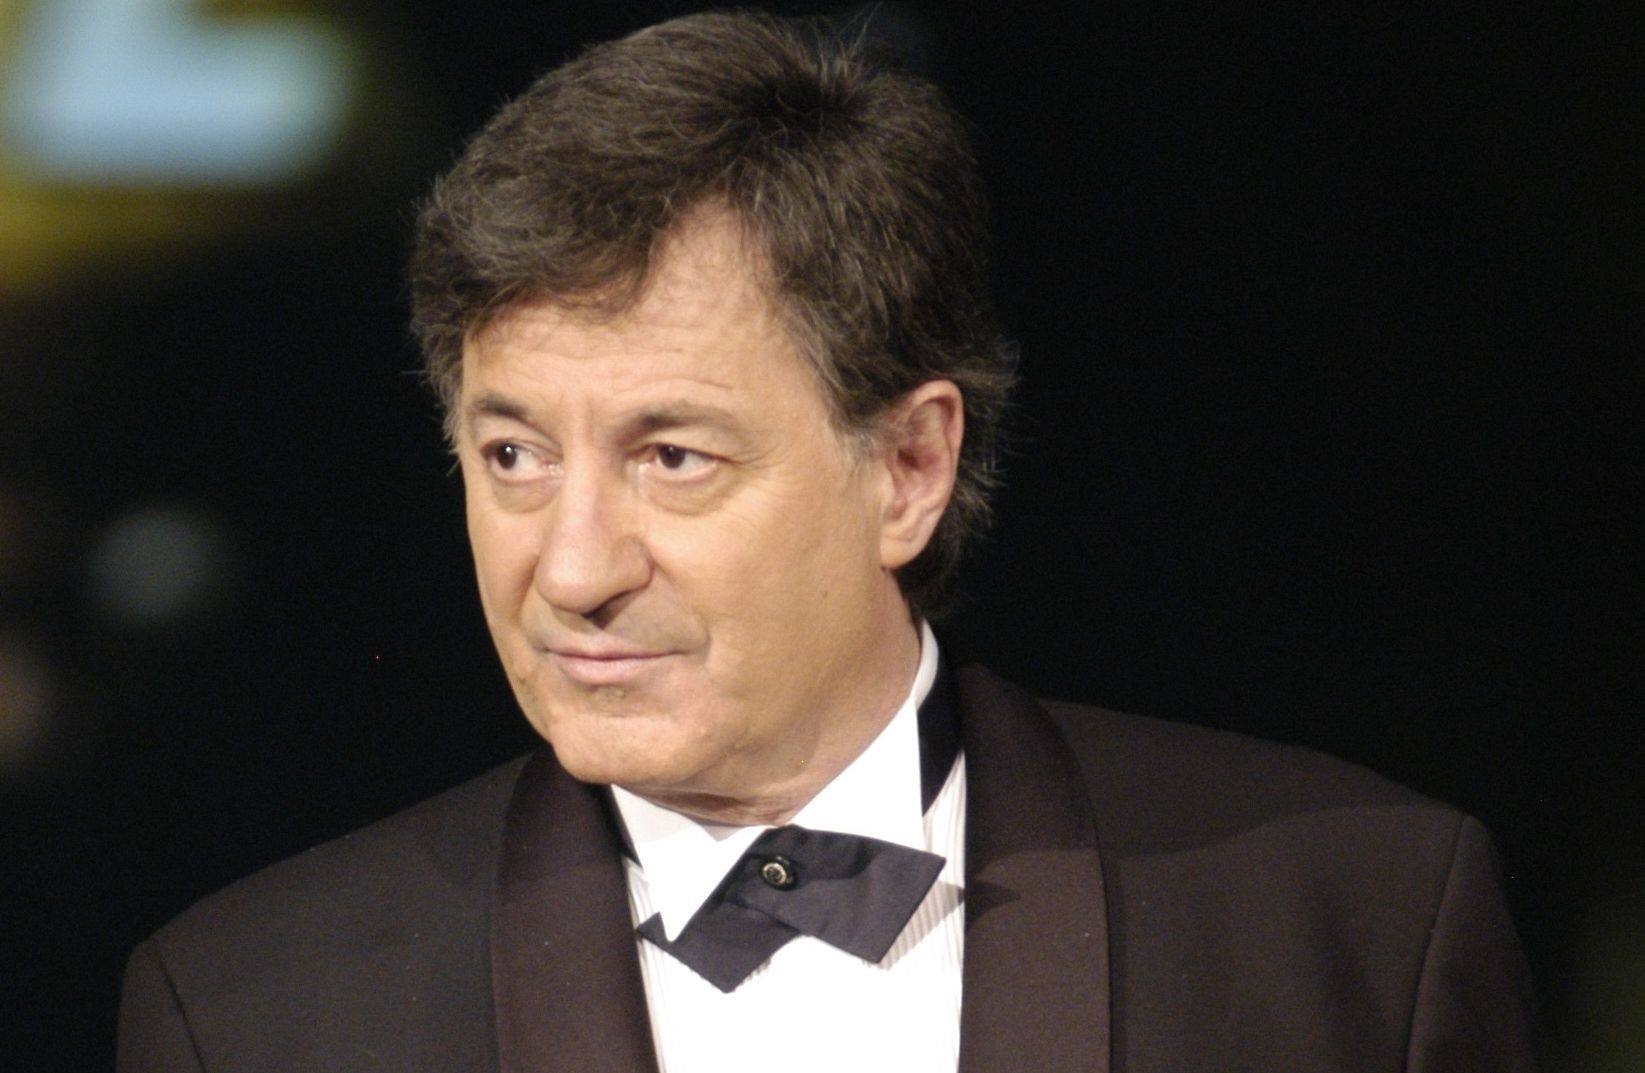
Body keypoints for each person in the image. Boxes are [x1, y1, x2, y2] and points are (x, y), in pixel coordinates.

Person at [117, 11, 1537, 1072]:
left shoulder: (1355, 927)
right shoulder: (251, 1011)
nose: (573, 569)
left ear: (909, 468)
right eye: (514, 457)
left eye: (672, 457)